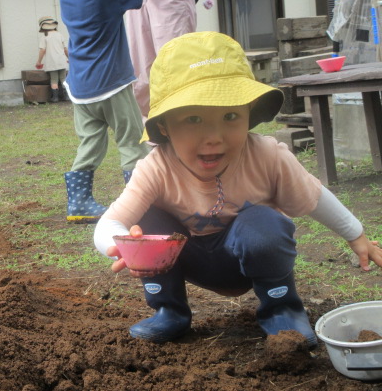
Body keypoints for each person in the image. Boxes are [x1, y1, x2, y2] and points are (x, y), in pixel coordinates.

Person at [94, 31, 382, 347]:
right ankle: (169, 311)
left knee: (264, 223)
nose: (214, 135)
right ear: (163, 125)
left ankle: (282, 311)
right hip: (185, 256)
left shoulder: (267, 156)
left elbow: (313, 196)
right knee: (145, 220)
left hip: (248, 255)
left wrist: (355, 234)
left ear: (249, 112)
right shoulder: (156, 167)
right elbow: (110, 222)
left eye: (230, 115)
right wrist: (123, 246)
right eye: (193, 118)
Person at [57, 0, 167, 222]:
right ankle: (142, 205)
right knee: (132, 141)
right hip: (113, 85)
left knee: (90, 142)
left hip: (80, 87)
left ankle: (78, 203)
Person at [35, 16, 69, 103]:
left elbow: (42, 50)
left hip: (52, 62)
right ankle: (66, 96)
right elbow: (65, 49)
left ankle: (55, 97)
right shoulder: (60, 35)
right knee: (63, 79)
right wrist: (69, 58)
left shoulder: (44, 37)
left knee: (54, 79)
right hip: (61, 61)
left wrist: (39, 61)